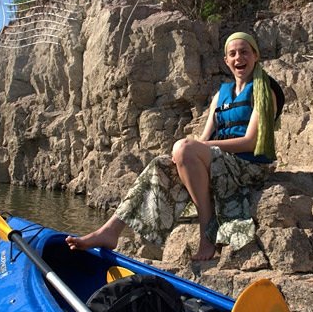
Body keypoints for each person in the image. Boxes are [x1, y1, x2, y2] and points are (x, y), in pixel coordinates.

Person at [66, 32, 284, 261]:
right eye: (233, 54)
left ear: (255, 56)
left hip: (249, 167)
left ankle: (207, 233)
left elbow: (249, 141)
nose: (239, 57)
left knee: (184, 148)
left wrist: (195, 148)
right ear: (226, 60)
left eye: (244, 52)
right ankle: (111, 230)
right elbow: (204, 136)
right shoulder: (221, 94)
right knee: (161, 165)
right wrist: (188, 154)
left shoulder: (264, 90)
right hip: (222, 161)